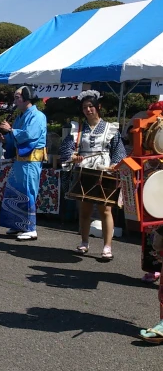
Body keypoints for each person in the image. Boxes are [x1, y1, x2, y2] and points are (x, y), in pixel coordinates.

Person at [58, 90, 126, 259]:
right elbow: (66, 150)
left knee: (106, 210)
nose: (88, 110)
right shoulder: (78, 129)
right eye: (85, 107)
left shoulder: (111, 128)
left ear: (98, 107)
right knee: (85, 210)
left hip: (104, 170)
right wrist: (74, 156)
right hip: (85, 170)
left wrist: (113, 165)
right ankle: (84, 242)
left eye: (91, 107)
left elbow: (119, 151)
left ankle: (107, 246)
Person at [0, 86, 47, 241]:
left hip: (31, 160)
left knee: (27, 192)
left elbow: (30, 135)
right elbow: (16, 138)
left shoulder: (38, 116)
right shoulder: (20, 116)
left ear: (27, 97)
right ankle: (18, 223)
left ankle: (31, 228)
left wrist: (11, 130)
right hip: (20, 161)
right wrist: (5, 138)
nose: (15, 100)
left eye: (18, 96)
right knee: (14, 190)